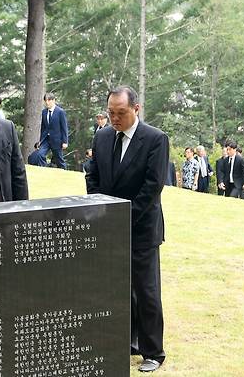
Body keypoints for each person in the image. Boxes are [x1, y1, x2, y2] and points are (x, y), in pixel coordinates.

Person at [86, 86, 168, 373]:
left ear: (136, 109)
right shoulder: (103, 136)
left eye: (120, 113)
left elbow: (152, 186)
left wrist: (123, 216)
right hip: (109, 225)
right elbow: (92, 174)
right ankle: (127, 340)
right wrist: (100, 207)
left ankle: (153, 351)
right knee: (118, 288)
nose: (115, 119)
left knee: (146, 291)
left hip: (141, 227)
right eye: (111, 113)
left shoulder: (155, 139)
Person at [36, 92, 68, 170]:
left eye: (49, 100)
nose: (47, 102)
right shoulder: (44, 112)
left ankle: (64, 172)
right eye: (45, 100)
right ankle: (43, 171)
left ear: (53, 100)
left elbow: (64, 127)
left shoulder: (60, 112)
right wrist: (40, 141)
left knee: (59, 160)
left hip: (57, 140)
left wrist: (65, 142)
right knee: (40, 154)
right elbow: (43, 128)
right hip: (46, 139)